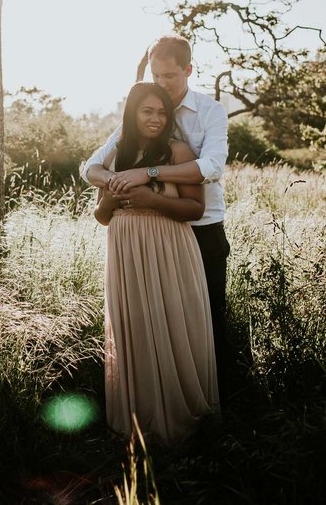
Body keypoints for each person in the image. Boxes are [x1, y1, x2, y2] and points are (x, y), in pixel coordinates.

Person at [82, 34, 230, 397]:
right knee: (155, 319)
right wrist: (116, 182)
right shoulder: (142, 110)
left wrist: (147, 175)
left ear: (188, 70)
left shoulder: (210, 112)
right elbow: (91, 167)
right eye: (156, 75)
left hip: (201, 228)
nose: (162, 84)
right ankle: (154, 395)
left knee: (205, 321)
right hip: (145, 237)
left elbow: (210, 166)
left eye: (170, 76)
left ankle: (212, 400)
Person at [93, 82, 218, 445]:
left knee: (172, 325)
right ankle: (140, 419)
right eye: (147, 111)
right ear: (132, 113)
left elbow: (195, 209)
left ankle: (181, 421)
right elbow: (101, 215)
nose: (156, 118)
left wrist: (149, 196)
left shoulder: (179, 152)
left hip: (169, 249)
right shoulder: (117, 155)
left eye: (162, 112)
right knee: (136, 328)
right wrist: (113, 198)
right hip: (125, 253)